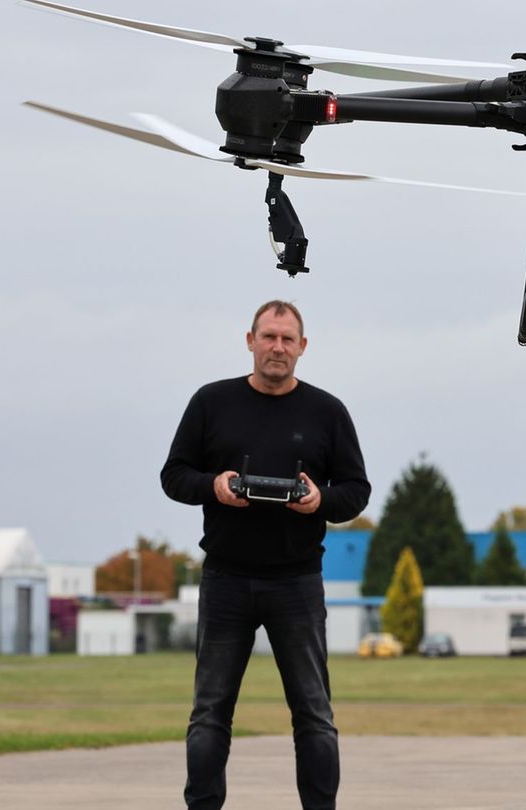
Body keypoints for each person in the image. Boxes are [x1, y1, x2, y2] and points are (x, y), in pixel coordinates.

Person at [161, 300, 370, 810]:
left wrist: (319, 500)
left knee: (314, 714)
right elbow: (174, 476)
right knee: (209, 712)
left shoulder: (327, 412)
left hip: (296, 582)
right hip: (226, 579)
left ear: (303, 347)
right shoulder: (211, 402)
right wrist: (215, 485)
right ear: (250, 340)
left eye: (287, 339)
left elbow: (357, 490)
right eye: (269, 337)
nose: (278, 347)